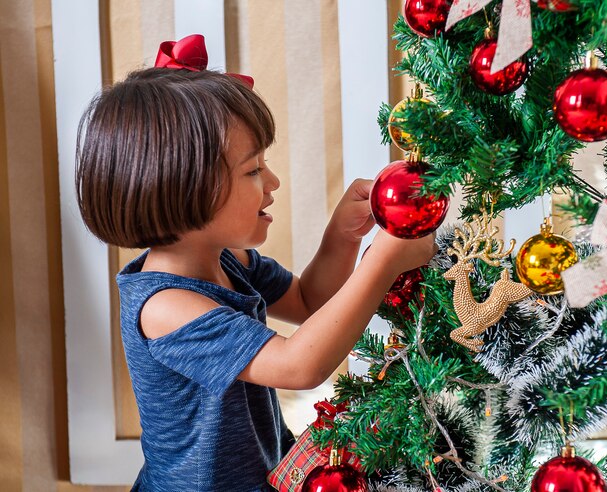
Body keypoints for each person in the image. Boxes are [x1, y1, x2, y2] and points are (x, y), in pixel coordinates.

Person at [75, 35, 437, 491]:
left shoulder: (231, 262)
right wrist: (382, 262)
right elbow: (298, 367)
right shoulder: (165, 307)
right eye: (252, 171)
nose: (273, 181)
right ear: (183, 187)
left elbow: (309, 303)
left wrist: (342, 238)